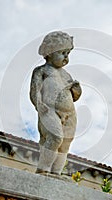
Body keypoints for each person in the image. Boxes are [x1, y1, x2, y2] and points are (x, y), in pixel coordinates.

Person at [30, 31, 82, 175]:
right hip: (49, 110)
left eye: (68, 53)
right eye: (62, 53)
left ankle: (56, 172)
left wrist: (77, 90)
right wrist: (38, 103)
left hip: (70, 113)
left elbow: (74, 97)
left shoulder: (66, 75)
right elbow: (35, 90)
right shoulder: (41, 71)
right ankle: (44, 168)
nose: (66, 57)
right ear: (49, 53)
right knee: (55, 137)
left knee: (65, 143)